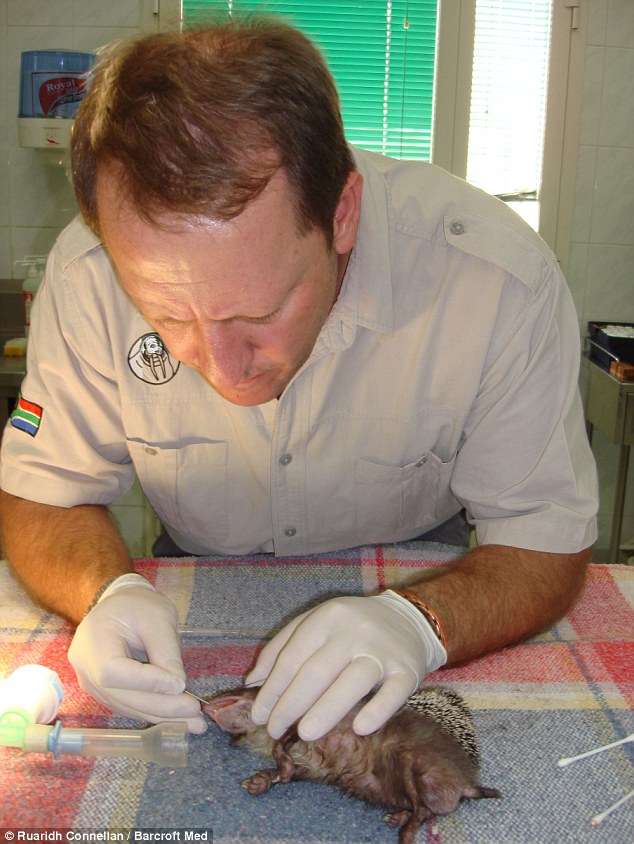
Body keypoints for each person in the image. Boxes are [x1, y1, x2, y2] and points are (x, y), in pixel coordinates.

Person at [0, 17, 598, 741]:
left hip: (427, 576)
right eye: (167, 316)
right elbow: (43, 494)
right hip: (198, 578)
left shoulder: (497, 282)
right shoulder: (85, 274)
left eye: (260, 311)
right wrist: (105, 590)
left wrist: (420, 622)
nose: (223, 368)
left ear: (341, 214)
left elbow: (545, 536)